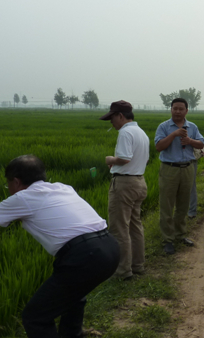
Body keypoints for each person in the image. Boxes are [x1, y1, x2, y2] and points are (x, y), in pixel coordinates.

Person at [0, 155, 120, 338]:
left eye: (7, 184)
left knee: (35, 317)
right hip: (110, 247)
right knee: (73, 297)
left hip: (86, 255)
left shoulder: (23, 198)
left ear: (16, 182)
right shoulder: (63, 188)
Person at [100, 100, 150, 280]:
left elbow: (124, 158)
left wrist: (110, 160)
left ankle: (123, 271)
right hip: (139, 182)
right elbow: (141, 160)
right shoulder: (141, 132)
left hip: (125, 185)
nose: (111, 122)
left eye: (112, 118)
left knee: (120, 228)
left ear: (120, 116)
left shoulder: (125, 132)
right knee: (135, 226)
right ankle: (138, 265)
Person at [155, 98, 204, 255]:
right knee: (167, 205)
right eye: (174, 108)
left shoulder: (192, 127)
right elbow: (158, 146)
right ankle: (167, 240)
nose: (177, 111)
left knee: (183, 204)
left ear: (186, 111)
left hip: (187, 168)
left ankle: (180, 235)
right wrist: (174, 134)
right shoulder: (164, 127)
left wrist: (190, 140)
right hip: (169, 169)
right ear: (170, 109)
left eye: (180, 109)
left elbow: (202, 144)